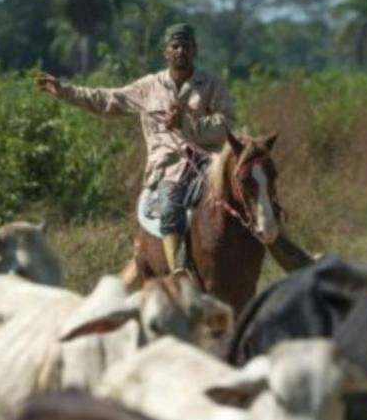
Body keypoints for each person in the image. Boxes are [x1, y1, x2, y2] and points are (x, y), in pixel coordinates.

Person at [35, 23, 235, 275]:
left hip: (209, 161)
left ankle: (284, 249)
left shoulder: (212, 85)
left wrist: (187, 124)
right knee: (170, 206)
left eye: (186, 46)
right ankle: (178, 271)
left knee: (250, 188)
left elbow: (227, 123)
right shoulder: (148, 87)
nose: (180, 51)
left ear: (195, 50)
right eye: (175, 46)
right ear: (165, 52)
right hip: (169, 167)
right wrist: (65, 91)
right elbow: (107, 99)